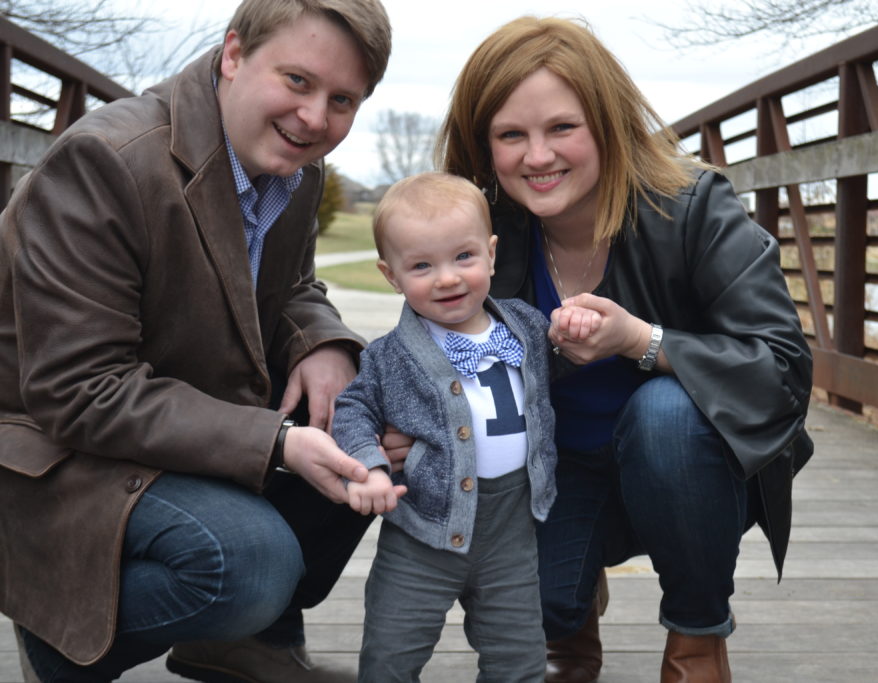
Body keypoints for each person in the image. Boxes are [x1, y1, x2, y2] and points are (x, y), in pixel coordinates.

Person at [0, 1, 392, 681]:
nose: (315, 119)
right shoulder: (106, 162)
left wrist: (321, 343)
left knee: (388, 412)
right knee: (249, 560)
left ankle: (239, 640)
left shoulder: (296, 171)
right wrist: (277, 443)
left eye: (342, 99)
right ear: (234, 55)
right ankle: (59, 631)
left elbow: (290, 287)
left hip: (170, 410)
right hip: (49, 442)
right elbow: (78, 391)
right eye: (297, 81)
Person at [436, 16, 815, 683]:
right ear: (482, 142)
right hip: (556, 475)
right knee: (524, 605)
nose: (538, 156)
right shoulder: (477, 232)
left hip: (688, 472)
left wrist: (640, 341)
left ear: (606, 123)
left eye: (561, 128)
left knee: (664, 413)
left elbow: (781, 369)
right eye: (510, 135)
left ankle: (697, 640)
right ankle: (568, 617)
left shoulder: (694, 208)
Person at [332, 172, 594, 681]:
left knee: (518, 657)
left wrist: (575, 330)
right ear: (392, 276)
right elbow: (354, 409)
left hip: (512, 531)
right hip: (423, 532)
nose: (447, 278)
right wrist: (369, 467)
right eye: (422, 266)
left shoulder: (527, 325)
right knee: (391, 652)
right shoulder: (390, 355)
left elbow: (563, 362)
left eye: (464, 257)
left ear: (491, 254)